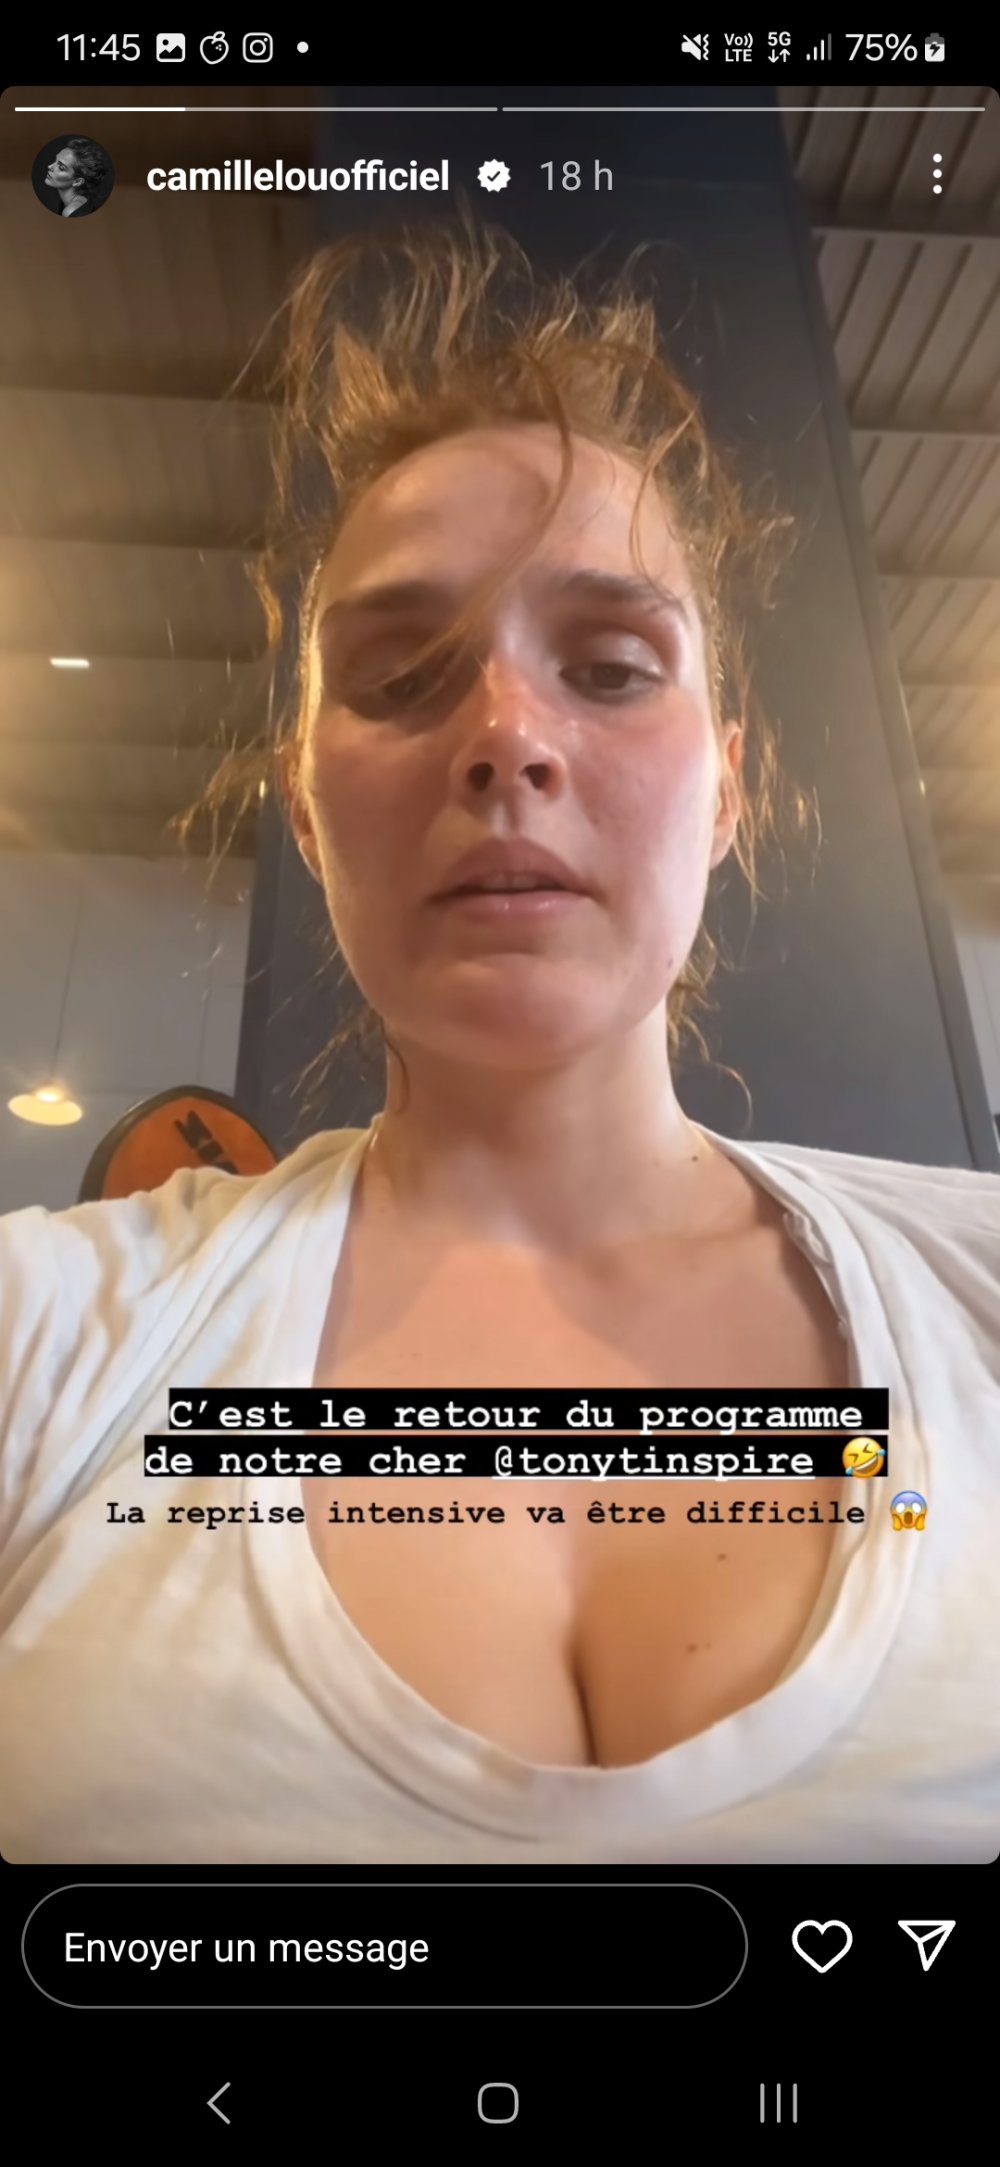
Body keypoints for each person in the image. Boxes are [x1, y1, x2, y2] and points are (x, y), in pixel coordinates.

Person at [1, 212, 998, 1867]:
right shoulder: (48, 1339)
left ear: (729, 783)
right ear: (307, 815)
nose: (506, 737)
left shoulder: (977, 1293)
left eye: (609, 666)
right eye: (401, 676)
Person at [42, 137, 111, 217]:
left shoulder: (71, 211)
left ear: (77, 181)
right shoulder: (78, 203)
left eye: (61, 167)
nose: (50, 166)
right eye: (55, 161)